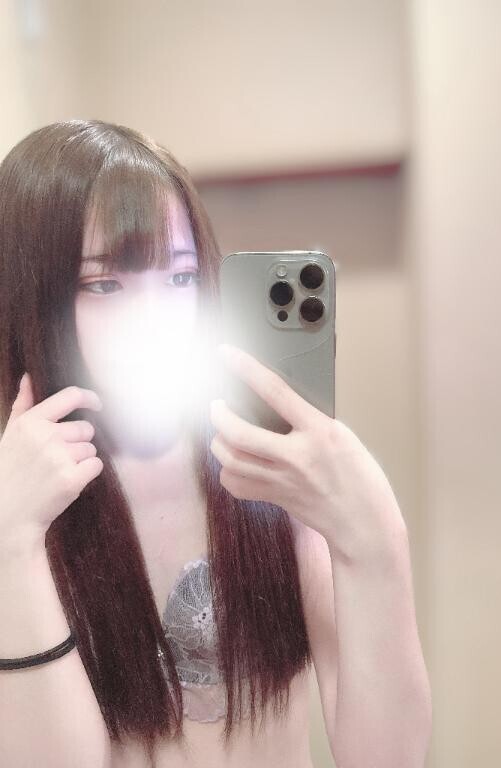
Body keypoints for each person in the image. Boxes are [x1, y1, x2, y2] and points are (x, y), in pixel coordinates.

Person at [0, 120, 432, 768]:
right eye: (105, 284)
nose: (158, 318)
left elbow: (387, 758)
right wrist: (10, 543)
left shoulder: (263, 469)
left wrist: (375, 539)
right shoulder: (17, 505)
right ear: (31, 299)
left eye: (179, 277)